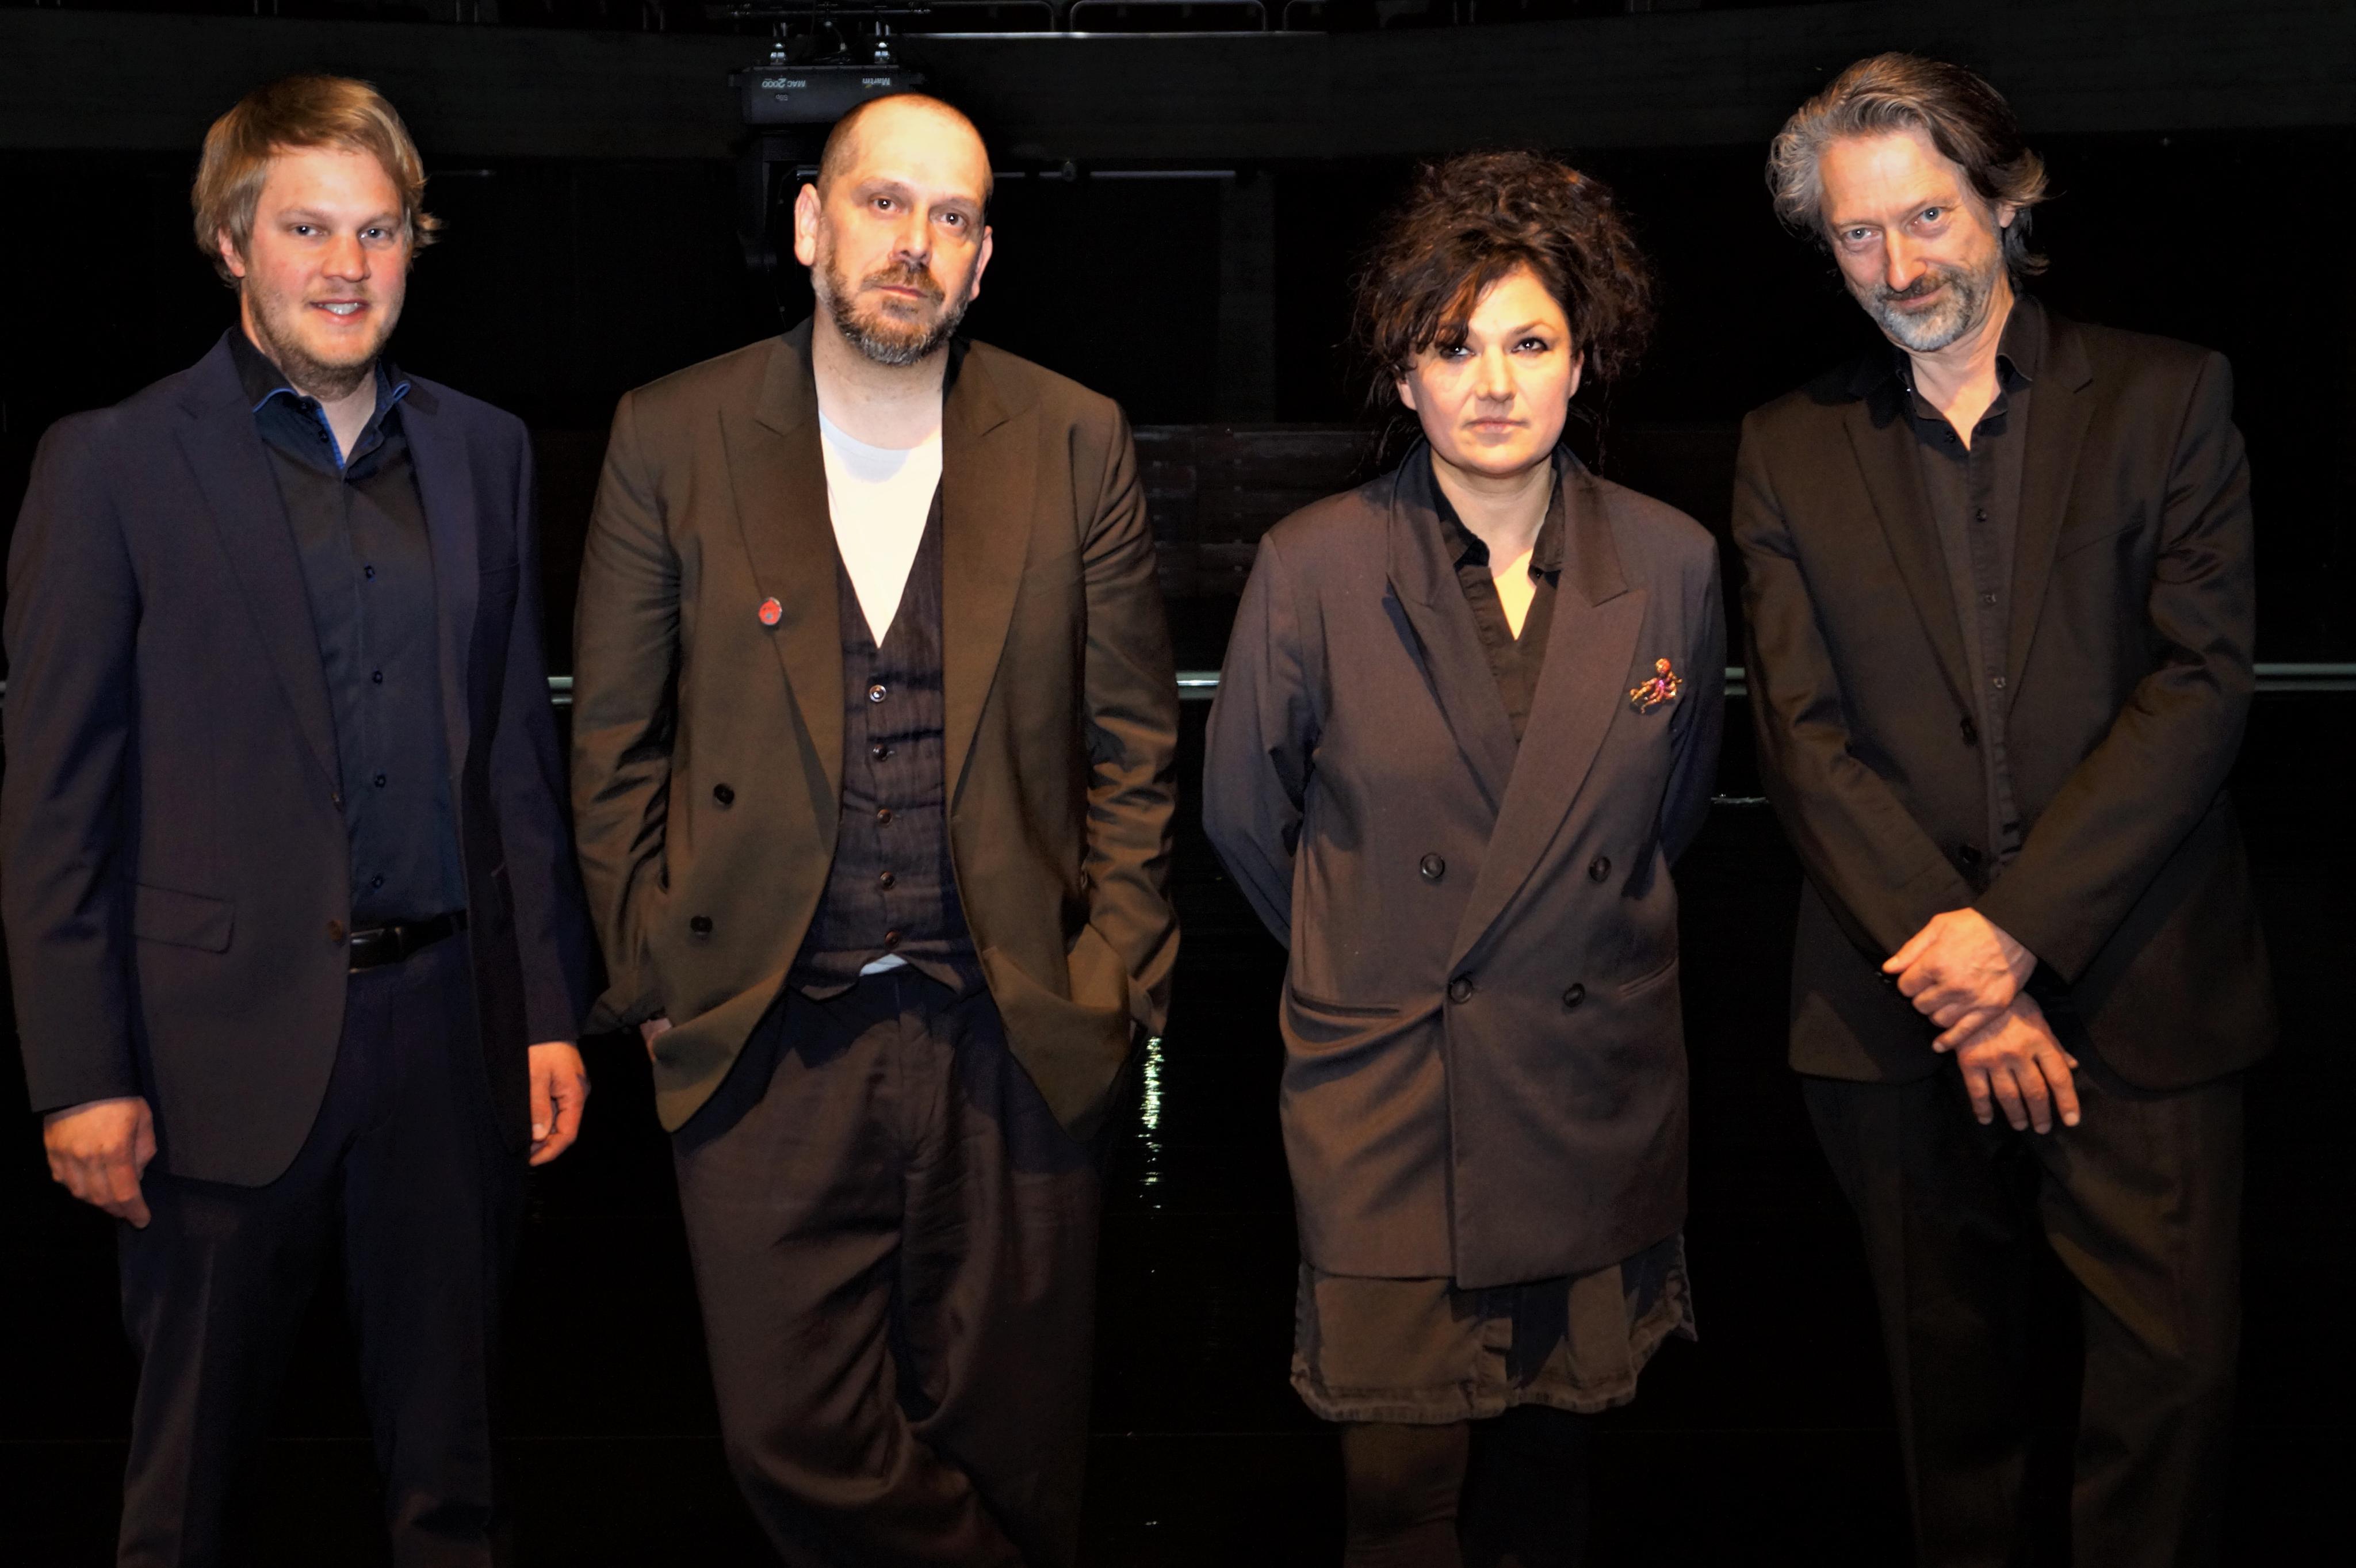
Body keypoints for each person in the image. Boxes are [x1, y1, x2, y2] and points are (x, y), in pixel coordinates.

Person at [568, 93, 1179, 1567]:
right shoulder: (671, 432)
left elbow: (1135, 745)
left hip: (1015, 1026)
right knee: (789, 1437)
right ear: (809, 224)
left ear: (983, 259)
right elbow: (612, 744)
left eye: (952, 217)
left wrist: (1112, 979)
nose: (914, 242)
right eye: (883, 202)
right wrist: (656, 975)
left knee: (1016, 1446)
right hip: (761, 1030)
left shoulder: (1073, 436)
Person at [3, 75, 594, 1566]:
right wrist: (80, 1074)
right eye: (308, 228)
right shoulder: (113, 464)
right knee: (185, 1496)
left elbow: (516, 762)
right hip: (212, 1054)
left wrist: (546, 1009)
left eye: (379, 231)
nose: (347, 265)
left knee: (456, 1484)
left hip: (448, 1041)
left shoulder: (485, 451)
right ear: (230, 244)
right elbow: (57, 803)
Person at [1735, 53, 2273, 1567]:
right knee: (1944, 1420)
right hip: (1894, 1008)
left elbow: (2197, 689)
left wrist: (2013, 936)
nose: (1898, 265)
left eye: (1926, 217)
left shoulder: (2169, 397)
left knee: (2171, 1401)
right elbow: (1802, 740)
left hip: (2146, 991)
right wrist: (1963, 974)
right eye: (1857, 233)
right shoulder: (1784, 446)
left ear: (2006, 204)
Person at [1202, 151, 1723, 1567]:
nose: (1492, 383)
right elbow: (1246, 821)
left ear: (1581, 361)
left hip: (1584, 1084)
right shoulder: (1313, 564)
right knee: (1396, 1495)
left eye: (1528, 344)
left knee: (1552, 1484)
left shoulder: (1672, 562)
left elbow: (1664, 815)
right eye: (1452, 346)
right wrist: (1375, 956)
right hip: (1389, 1086)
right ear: (1404, 374)